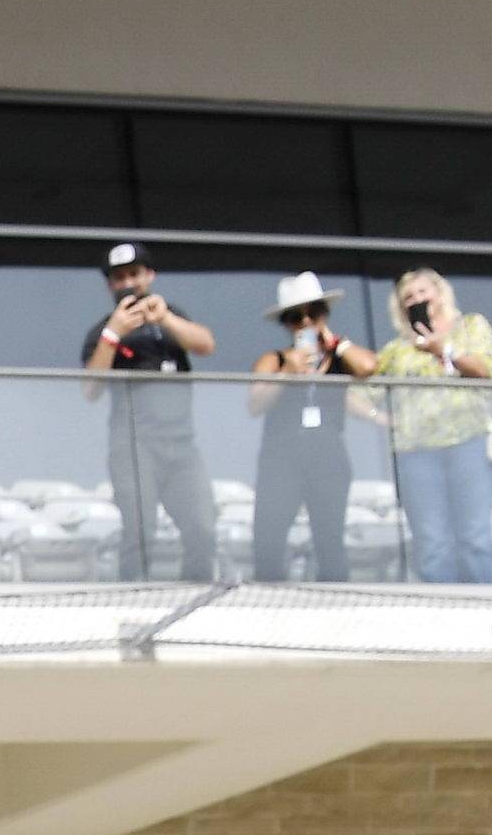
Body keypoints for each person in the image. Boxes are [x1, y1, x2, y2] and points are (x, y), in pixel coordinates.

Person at [80, 244, 215, 581]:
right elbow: (91, 389)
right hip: (134, 447)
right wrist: (114, 333)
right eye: (119, 277)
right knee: (140, 531)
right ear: (110, 285)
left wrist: (165, 318)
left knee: (203, 528)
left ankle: (195, 598)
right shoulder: (103, 330)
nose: (128, 284)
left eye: (134, 274)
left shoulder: (171, 316)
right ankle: (132, 601)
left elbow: (206, 345)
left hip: (182, 447)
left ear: (150, 275)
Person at [368, 267, 492, 585]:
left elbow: (487, 370)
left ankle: (482, 604)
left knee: (475, 535)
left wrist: (443, 349)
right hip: (415, 452)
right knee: (431, 541)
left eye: (422, 292)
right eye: (408, 297)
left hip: (468, 443)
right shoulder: (397, 349)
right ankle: (440, 606)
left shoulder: (470, 326)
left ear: (440, 294)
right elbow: (359, 393)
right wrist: (379, 418)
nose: (416, 299)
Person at [245, 272, 370, 584]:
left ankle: (336, 600)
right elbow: (255, 404)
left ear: (324, 315)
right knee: (270, 536)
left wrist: (335, 343)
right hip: (281, 458)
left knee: (330, 538)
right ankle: (267, 599)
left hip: (328, 456)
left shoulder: (339, 356)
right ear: (286, 324)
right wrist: (287, 374)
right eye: (295, 317)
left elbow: (368, 367)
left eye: (312, 313)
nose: (305, 323)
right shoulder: (274, 360)